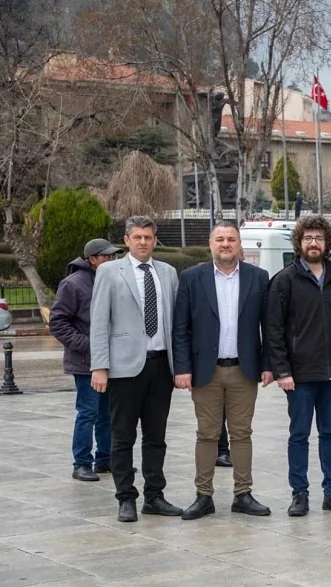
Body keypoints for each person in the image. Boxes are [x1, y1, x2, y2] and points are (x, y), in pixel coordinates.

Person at [172, 222, 274, 520]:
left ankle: (243, 494)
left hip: (244, 370)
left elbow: (269, 327)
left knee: (242, 434)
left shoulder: (258, 278)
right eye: (220, 239)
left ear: (239, 244)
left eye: (231, 239)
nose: (226, 244)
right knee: (207, 434)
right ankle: (203, 496)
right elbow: (181, 328)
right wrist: (182, 368)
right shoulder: (192, 278)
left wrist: (268, 365)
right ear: (210, 244)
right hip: (206, 371)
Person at [90, 216, 183, 522]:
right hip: (124, 368)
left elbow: (177, 324)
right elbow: (99, 322)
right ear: (126, 240)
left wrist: (179, 366)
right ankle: (126, 497)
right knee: (122, 437)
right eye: (137, 237)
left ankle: (155, 496)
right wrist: (100, 367)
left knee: (156, 436)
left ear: (155, 240)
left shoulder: (168, 272)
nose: (143, 242)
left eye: (148, 237)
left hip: (160, 365)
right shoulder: (108, 272)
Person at [265, 214, 331, 517]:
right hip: (299, 376)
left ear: (327, 242)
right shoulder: (284, 280)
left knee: (330, 434)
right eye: (308, 238)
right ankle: (299, 494)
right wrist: (282, 371)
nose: (313, 243)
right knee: (299, 434)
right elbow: (273, 329)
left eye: (319, 238)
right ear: (299, 243)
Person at [50, 238, 121, 482]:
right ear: (93, 259)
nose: (113, 260)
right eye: (107, 256)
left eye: (114, 256)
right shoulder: (73, 284)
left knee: (107, 413)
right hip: (85, 362)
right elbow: (58, 323)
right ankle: (81, 462)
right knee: (87, 412)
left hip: (112, 359)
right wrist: (87, 345)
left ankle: (105, 458)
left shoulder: (111, 279)